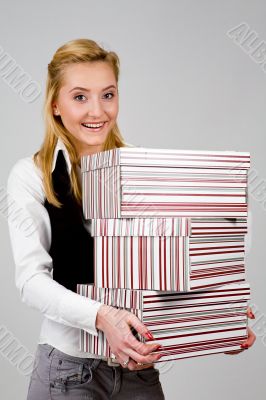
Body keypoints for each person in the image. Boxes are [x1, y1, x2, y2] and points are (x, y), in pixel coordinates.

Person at [6, 38, 255, 400]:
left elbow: (181, 255)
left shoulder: (144, 167)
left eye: (108, 94)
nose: (97, 111)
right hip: (69, 371)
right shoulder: (32, 175)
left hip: (138, 370)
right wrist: (104, 316)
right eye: (80, 97)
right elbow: (31, 280)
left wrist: (216, 321)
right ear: (55, 104)